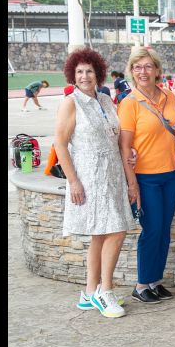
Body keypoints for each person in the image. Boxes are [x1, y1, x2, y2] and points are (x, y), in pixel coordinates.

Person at [55, 48, 134, 318]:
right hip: (89, 176)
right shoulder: (71, 102)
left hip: (111, 174)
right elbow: (60, 145)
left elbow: (113, 135)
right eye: (79, 71)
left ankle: (89, 293)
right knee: (117, 229)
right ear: (72, 75)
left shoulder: (105, 100)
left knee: (101, 234)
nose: (84, 75)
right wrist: (73, 181)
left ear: (98, 73)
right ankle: (105, 291)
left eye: (89, 70)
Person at [118, 48, 175, 304]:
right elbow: (125, 146)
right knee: (151, 229)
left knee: (164, 230)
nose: (142, 72)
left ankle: (156, 280)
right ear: (132, 72)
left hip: (171, 173)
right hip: (145, 176)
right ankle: (141, 283)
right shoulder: (129, 103)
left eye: (147, 66)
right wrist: (132, 182)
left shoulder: (169, 97)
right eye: (137, 67)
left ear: (157, 69)